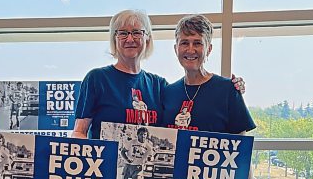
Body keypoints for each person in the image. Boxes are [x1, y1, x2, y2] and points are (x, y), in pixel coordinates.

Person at [72, 10, 245, 139]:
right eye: (123, 33)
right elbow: (79, 132)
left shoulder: (160, 86)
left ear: (147, 39)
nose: (130, 39)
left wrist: (234, 88)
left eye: (137, 32)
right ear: (114, 39)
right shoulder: (97, 79)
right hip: (106, 178)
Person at [161, 14, 255, 135]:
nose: (190, 50)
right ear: (176, 49)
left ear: (209, 49)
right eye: (184, 43)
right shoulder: (168, 93)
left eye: (197, 43)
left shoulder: (228, 90)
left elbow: (240, 146)